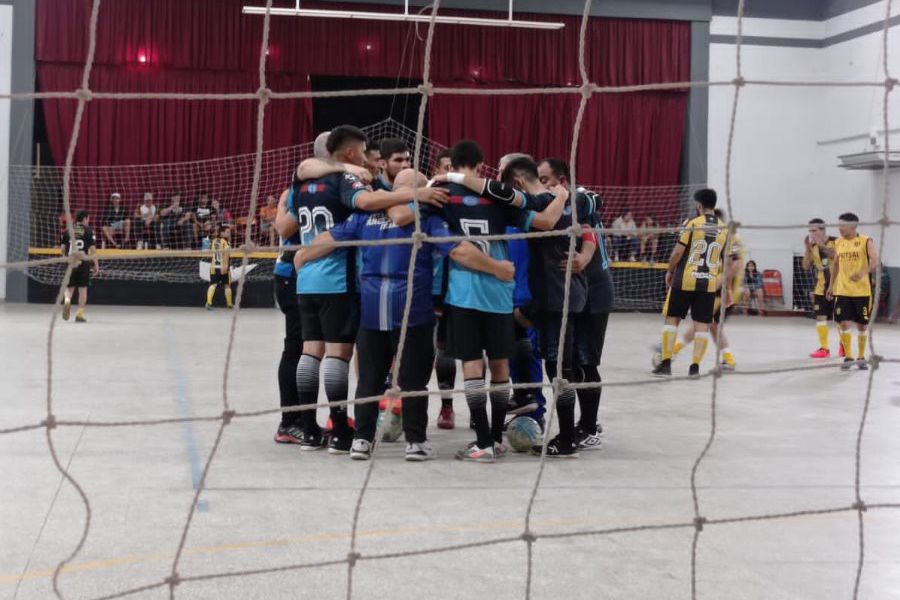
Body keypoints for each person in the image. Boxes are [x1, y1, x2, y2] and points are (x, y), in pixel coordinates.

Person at [295, 168, 515, 461]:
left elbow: (330, 238)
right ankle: (415, 442)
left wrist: (302, 255)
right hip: (414, 310)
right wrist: (497, 268)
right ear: (421, 191)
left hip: (373, 310)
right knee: (414, 382)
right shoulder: (428, 218)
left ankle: (361, 440)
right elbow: (460, 251)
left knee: (369, 380)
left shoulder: (363, 217)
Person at [279, 125, 448, 453]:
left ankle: (311, 428)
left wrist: (301, 255)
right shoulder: (353, 185)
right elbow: (383, 207)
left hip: (312, 280)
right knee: (345, 357)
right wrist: (418, 195)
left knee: (311, 351)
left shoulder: (304, 182)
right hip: (352, 286)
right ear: (352, 154)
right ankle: (349, 429)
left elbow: (286, 225)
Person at [431, 141, 568, 462]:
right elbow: (545, 222)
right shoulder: (497, 198)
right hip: (500, 295)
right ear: (481, 164)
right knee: (500, 366)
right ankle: (495, 438)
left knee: (472, 367)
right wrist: (561, 195)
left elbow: (449, 245)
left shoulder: (440, 197)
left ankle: (483, 443)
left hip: (464, 293)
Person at [502, 156, 587, 458]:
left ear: (518, 184)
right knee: (557, 363)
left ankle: (566, 440)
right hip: (567, 294)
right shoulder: (570, 200)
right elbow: (590, 212)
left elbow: (548, 221)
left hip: (553, 298)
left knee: (559, 369)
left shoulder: (535, 204)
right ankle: (526, 395)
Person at [538, 157, 613, 451]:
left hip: (594, 294)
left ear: (563, 181)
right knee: (570, 365)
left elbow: (592, 205)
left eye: (546, 179)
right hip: (573, 294)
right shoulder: (559, 205)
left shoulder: (577, 199)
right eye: (539, 180)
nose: (543, 185)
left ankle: (589, 427)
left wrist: (584, 256)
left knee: (585, 363)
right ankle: (581, 426)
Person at [652, 189, 729, 378]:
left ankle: (666, 364)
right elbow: (723, 260)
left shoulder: (692, 224)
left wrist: (670, 271)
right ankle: (694, 368)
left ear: (699, 205)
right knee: (702, 324)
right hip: (708, 283)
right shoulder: (725, 229)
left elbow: (677, 253)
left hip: (685, 279)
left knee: (672, 319)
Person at [670, 209, 744, 371]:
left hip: (722, 288)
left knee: (703, 323)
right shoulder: (727, 236)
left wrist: (725, 287)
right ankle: (728, 359)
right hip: (722, 286)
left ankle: (672, 351)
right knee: (711, 325)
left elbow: (735, 264)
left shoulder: (730, 237)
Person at [272, 180, 305, 444]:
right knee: (295, 347)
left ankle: (303, 419)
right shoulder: (297, 191)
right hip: (291, 276)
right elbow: (283, 227)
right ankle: (289, 422)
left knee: (308, 349)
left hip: (303, 275)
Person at [827, 212, 878, 370]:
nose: (839, 228)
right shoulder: (838, 242)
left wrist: (862, 273)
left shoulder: (865, 241)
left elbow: (875, 261)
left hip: (862, 292)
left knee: (862, 325)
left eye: (842, 225)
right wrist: (831, 285)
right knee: (843, 322)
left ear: (852, 226)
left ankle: (861, 357)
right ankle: (848, 357)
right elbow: (835, 265)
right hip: (843, 290)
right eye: (839, 225)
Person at [803, 218, 839, 358]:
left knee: (840, 319)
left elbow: (836, 257)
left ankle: (843, 346)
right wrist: (807, 248)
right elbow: (806, 266)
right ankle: (824, 349)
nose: (811, 233)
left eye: (814, 230)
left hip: (837, 286)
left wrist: (821, 245)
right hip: (820, 287)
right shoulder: (813, 247)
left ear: (823, 230)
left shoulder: (836, 242)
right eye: (810, 231)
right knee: (820, 317)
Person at [60, 210, 100, 323]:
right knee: (83, 290)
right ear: (85, 218)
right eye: (88, 219)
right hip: (83, 263)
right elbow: (92, 251)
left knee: (69, 288)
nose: (89, 221)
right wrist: (96, 265)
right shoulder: (88, 230)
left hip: (70, 262)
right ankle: (79, 314)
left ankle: (67, 302)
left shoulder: (68, 230)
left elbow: (62, 249)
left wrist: (65, 257)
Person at [206, 224, 233, 310]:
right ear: (221, 233)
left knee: (213, 284)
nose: (229, 234)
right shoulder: (226, 243)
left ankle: (208, 303)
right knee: (227, 285)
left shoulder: (214, 241)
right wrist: (225, 266)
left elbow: (211, 254)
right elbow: (226, 255)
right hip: (223, 267)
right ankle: (229, 304)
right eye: (227, 232)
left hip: (214, 267)